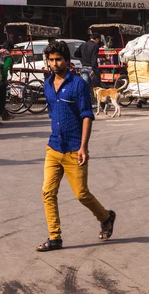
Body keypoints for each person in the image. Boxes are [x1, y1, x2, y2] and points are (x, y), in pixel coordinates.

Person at [37, 40, 115, 252]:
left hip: (74, 149)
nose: (54, 64)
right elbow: (54, 113)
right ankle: (55, 237)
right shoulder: (47, 84)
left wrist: (84, 147)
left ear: (67, 61)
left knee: (81, 194)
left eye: (58, 59)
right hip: (54, 147)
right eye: (51, 60)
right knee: (48, 192)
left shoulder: (78, 84)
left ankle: (106, 217)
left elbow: (87, 116)